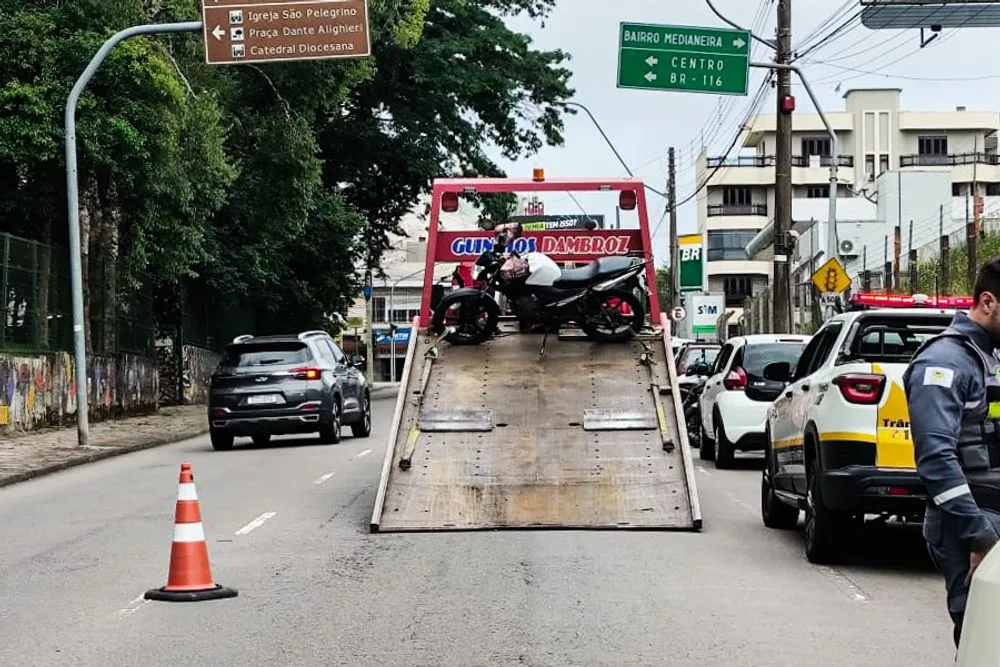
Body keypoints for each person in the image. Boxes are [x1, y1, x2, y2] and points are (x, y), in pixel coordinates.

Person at [903, 257, 1000, 648]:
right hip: (972, 523)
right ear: (988, 302)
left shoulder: (988, 358)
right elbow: (935, 460)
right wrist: (980, 538)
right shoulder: (942, 363)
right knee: (985, 642)